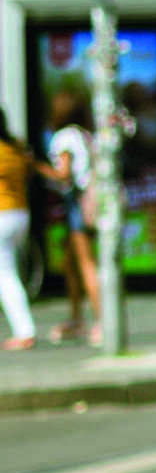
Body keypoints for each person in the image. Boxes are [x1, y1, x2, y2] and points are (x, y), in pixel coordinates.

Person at [45, 91, 101, 345]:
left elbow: (63, 174)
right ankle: (77, 318)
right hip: (89, 201)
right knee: (72, 263)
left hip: (76, 201)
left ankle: (101, 321)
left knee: (86, 263)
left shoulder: (64, 137)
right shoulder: (85, 135)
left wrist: (35, 167)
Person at [0, 111, 36, 351]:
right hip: (20, 213)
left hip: (2, 214)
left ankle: (24, 331)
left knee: (5, 275)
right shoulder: (15, 147)